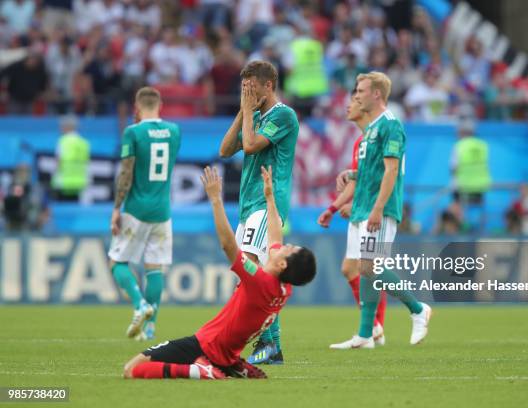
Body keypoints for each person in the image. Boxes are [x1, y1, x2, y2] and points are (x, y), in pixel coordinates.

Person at [123, 166, 316, 380]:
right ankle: (231, 364)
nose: (285, 245)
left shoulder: (259, 280)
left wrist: (215, 199)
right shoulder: (283, 288)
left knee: (131, 369)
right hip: (226, 352)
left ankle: (198, 370)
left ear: (283, 265)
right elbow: (275, 236)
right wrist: (269, 198)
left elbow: (228, 245)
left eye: (289, 249)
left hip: (206, 345)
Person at [330, 72, 431, 350]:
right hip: (364, 208)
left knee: (370, 266)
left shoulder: (390, 125)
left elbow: (392, 169)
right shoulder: (370, 131)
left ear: (376, 94)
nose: (357, 95)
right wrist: (351, 174)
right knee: (365, 268)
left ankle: (418, 308)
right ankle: (365, 334)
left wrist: (377, 209)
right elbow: (370, 170)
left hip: (381, 209)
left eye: (361, 90)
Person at [218, 60, 299, 364]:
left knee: (251, 270)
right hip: (248, 204)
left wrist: (249, 113)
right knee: (249, 275)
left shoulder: (284, 116)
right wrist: (243, 111)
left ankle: (262, 344)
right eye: (243, 89)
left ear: (268, 85)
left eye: (251, 88)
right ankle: (269, 345)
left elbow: (250, 145)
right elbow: (225, 150)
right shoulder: (255, 116)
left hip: (268, 202)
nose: (247, 94)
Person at [107, 87, 181, 341]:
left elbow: (126, 174)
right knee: (154, 268)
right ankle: (150, 328)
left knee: (117, 262)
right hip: (163, 211)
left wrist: (117, 208)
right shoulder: (174, 131)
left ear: (136, 109)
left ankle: (140, 305)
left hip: (137, 209)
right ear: (160, 106)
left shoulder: (133, 132)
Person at [318, 91, 387, 346]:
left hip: (374, 212)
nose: (348, 106)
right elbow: (358, 179)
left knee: (371, 269)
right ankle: (374, 328)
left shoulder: (378, 137)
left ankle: (387, 321)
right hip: (361, 209)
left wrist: (366, 207)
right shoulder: (361, 142)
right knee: (353, 268)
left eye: (354, 102)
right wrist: (334, 208)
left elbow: (383, 177)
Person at [51, 115, 90, 201]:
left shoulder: (62, 141)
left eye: (61, 127)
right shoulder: (83, 142)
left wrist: (54, 177)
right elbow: (86, 163)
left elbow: (58, 161)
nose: (60, 129)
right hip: (80, 182)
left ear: (67, 127)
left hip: (64, 183)